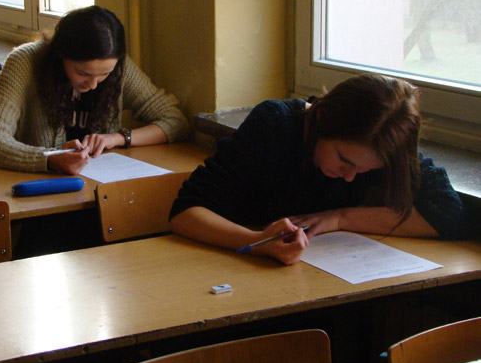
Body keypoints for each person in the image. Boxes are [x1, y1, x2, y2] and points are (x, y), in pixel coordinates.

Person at [170, 73, 477, 265]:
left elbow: (448, 213)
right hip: (229, 267)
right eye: (344, 160)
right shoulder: (274, 124)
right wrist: (256, 242)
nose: (350, 177)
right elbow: (185, 213)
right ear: (322, 117)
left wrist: (341, 218)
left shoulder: (381, 139)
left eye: (364, 170)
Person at [0, 5, 190, 174]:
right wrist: (49, 159)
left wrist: (117, 138)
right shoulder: (24, 63)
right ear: (61, 55)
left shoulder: (120, 68)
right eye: (83, 73)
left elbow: (175, 121)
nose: (93, 84)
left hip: (100, 188)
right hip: (40, 192)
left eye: (104, 74)